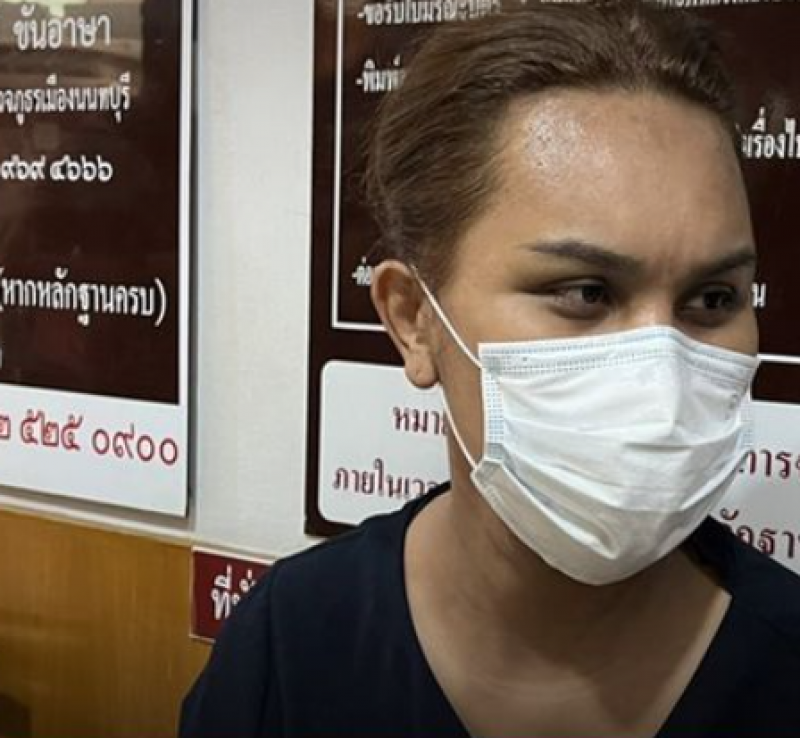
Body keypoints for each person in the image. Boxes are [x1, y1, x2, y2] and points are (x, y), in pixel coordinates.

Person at [180, 2, 800, 736]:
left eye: (713, 298)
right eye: (586, 292)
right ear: (413, 318)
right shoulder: (292, 642)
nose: (662, 380)